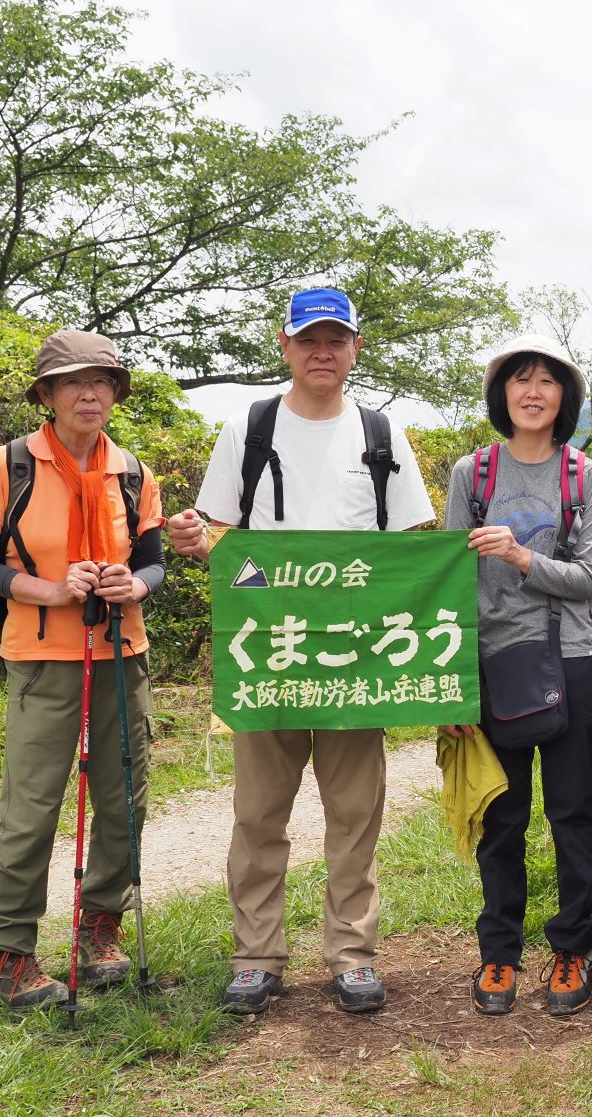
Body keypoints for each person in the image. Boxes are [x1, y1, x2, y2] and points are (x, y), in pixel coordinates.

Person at [166, 287, 434, 1016]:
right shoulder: (247, 429)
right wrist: (195, 538)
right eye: (309, 339)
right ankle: (256, 956)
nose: (323, 352)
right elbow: (217, 533)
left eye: (336, 340)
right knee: (258, 812)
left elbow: (409, 551)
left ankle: (352, 953)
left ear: (354, 350)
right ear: (284, 346)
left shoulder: (382, 434)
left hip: (356, 654)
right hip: (269, 649)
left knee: (356, 813)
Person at [0, 330, 165, 1007]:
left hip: (120, 653)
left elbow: (153, 562)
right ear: (46, 394)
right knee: (32, 805)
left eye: (102, 381)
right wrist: (52, 588)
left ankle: (99, 928)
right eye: (73, 382)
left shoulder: (132, 472)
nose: (89, 393)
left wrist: (132, 587)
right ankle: (9, 950)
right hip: (42, 657)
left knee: (123, 800)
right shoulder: (9, 465)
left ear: (115, 393)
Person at [442, 334, 592, 1019]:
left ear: (564, 397)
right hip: (495, 664)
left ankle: (572, 948)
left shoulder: (582, 476)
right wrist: (451, 681)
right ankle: (499, 951)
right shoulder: (472, 474)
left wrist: (518, 558)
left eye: (547, 381)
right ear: (502, 394)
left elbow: (590, 579)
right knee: (503, 818)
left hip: (572, 660)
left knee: (571, 811)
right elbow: (450, 579)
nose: (533, 391)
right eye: (520, 380)